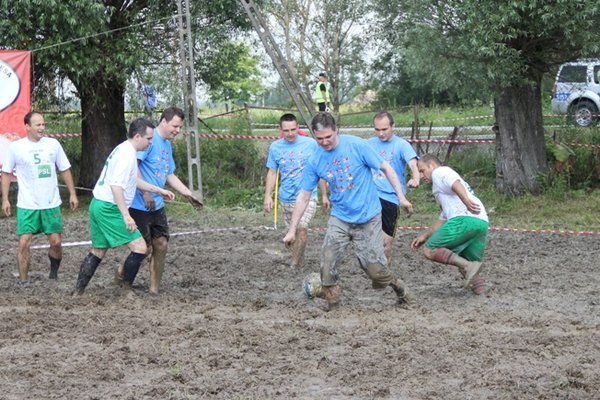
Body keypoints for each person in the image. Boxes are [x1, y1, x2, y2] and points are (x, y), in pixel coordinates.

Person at [283, 112, 414, 310]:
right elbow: (304, 195)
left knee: (375, 270)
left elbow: (387, 168)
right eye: (320, 139)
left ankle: (400, 288)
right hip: (340, 217)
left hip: (368, 217)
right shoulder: (315, 159)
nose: (325, 142)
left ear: (336, 131)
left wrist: (401, 197)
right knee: (327, 264)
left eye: (329, 137)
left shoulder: (357, 146)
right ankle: (334, 307)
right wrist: (292, 229)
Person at [73, 117, 175, 295]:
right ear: (137, 136)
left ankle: (77, 292)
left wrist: (158, 190)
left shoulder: (124, 149)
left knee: (98, 251)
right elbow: (116, 186)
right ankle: (126, 290)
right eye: (149, 139)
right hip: (108, 207)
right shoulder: (126, 156)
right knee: (140, 248)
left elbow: (133, 180)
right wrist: (126, 215)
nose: (151, 143)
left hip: (98, 204)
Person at [127, 106, 202, 294]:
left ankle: (154, 289)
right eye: (175, 126)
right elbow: (133, 166)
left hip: (157, 205)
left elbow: (169, 174)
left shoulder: (167, 145)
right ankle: (122, 276)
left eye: (180, 127)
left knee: (161, 244)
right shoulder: (149, 141)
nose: (178, 130)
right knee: (142, 250)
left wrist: (188, 194)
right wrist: (145, 193)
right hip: (139, 204)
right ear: (164, 122)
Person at [1, 111, 78, 282]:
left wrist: (72, 194)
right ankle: (23, 281)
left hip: (51, 203)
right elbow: (6, 173)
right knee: (24, 242)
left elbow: (64, 168)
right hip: (27, 205)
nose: (42, 128)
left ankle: (53, 274)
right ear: (27, 127)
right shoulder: (16, 147)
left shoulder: (53, 144)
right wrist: (5, 198)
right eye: (38, 125)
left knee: (56, 242)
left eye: (43, 124)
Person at [410, 154, 487, 294]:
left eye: (422, 171)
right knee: (468, 267)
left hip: (464, 219)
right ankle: (481, 297)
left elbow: (454, 182)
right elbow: (443, 218)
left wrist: (466, 201)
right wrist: (425, 235)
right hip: (481, 222)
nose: (422, 176)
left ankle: (468, 266)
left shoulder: (440, 172)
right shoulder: (443, 191)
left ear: (431, 165)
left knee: (430, 250)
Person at [264, 113, 328, 268]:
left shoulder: (311, 144)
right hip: (286, 197)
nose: (290, 133)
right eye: (286, 130)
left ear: (298, 127)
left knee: (302, 228)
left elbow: (319, 170)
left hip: (307, 195)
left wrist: (324, 194)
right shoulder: (275, 147)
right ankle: (299, 262)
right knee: (292, 235)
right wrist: (268, 196)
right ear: (280, 130)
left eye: (293, 129)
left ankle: (293, 265)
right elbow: (272, 173)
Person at [367, 111, 420, 266]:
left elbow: (412, 163)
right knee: (366, 238)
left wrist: (416, 178)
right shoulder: (368, 144)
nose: (381, 133)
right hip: (370, 195)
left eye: (384, 129)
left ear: (393, 126)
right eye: (377, 130)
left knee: (385, 242)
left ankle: (385, 270)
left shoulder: (401, 144)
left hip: (391, 198)